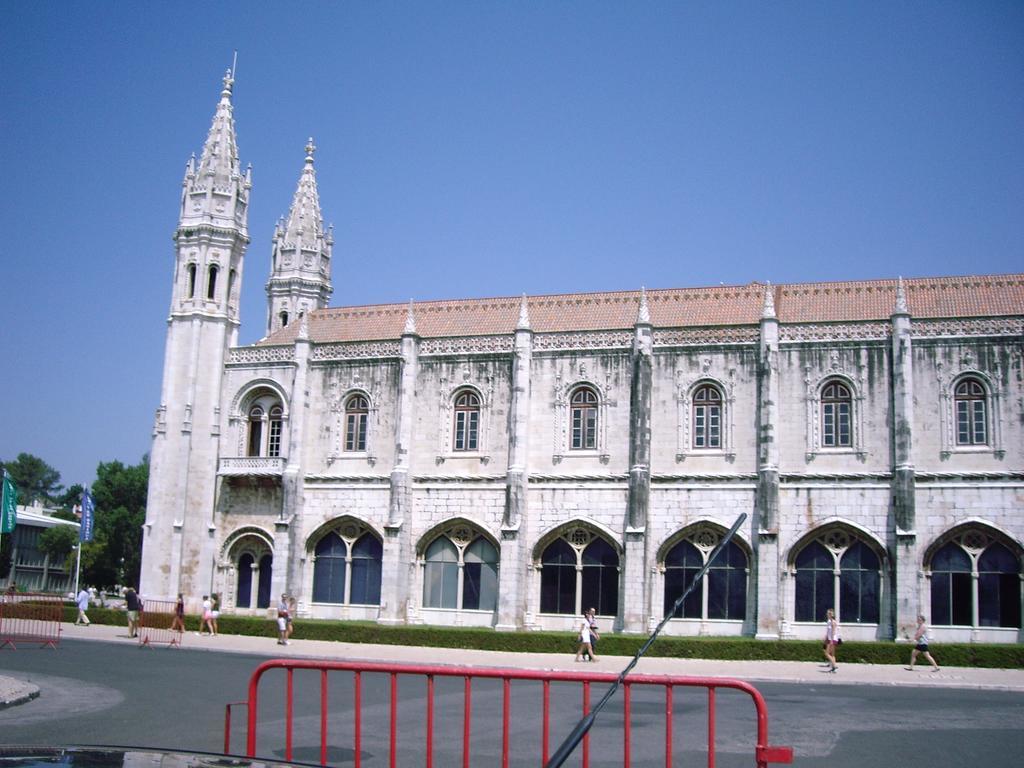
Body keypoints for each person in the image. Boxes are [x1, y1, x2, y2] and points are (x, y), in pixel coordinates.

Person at [823, 608, 841, 672]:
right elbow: (828, 631)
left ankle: (834, 666)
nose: (827, 614)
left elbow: (833, 632)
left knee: (827, 653)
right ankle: (834, 668)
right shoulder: (829, 621)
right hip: (830, 639)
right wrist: (825, 637)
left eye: (828, 613)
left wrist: (831, 641)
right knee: (832, 654)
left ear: (830, 614)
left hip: (832, 639)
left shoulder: (833, 622)